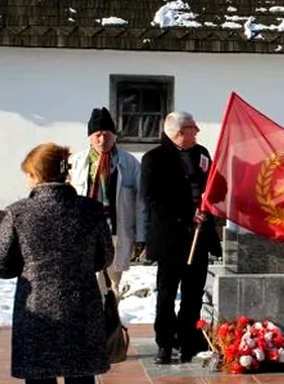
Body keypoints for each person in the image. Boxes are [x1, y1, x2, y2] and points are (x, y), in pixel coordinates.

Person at [0, 143, 112, 384]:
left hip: (37, 314)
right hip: (81, 310)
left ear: (35, 175)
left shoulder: (19, 213)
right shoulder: (90, 211)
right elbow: (104, 257)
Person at [141, 111, 219, 364]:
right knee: (167, 293)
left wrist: (213, 196)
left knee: (193, 292)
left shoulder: (201, 153)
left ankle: (188, 338)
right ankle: (165, 342)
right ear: (179, 132)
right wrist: (187, 213)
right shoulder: (154, 159)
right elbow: (152, 198)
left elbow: (213, 186)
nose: (197, 131)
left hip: (199, 236)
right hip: (170, 238)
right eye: (193, 127)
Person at [71, 107, 146, 295]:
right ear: (90, 137)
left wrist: (141, 236)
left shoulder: (130, 163)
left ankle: (112, 311)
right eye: (97, 135)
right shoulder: (76, 162)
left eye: (107, 135)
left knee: (114, 283)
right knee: (91, 281)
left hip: (116, 230)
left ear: (115, 136)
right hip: (86, 230)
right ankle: (97, 312)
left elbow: (141, 202)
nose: (102, 140)